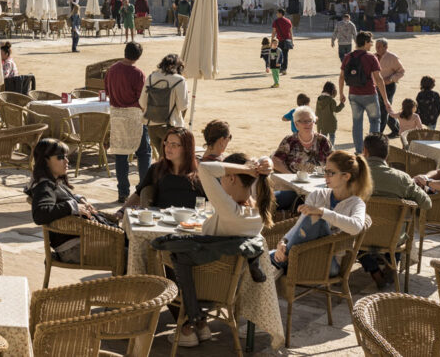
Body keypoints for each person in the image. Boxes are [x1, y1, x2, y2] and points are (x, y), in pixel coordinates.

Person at [171, 153, 274, 345]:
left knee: (167, 260)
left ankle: (191, 323)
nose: (221, 181)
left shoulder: (229, 210)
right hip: (228, 286)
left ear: (232, 177)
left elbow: (204, 168)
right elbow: (265, 170)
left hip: (204, 281)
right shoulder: (259, 212)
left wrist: (245, 168)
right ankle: (200, 325)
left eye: (224, 177)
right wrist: (263, 164)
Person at [272, 151, 372, 274]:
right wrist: (283, 241)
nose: (326, 176)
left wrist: (322, 212)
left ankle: (281, 261)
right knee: (262, 256)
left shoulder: (356, 203)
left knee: (316, 218)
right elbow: (300, 225)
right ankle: (283, 259)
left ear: (346, 176)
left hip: (329, 263)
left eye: (331, 173)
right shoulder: (317, 195)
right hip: (300, 255)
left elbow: (356, 227)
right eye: (325, 171)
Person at [359, 134, 431, 288]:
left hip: (361, 235)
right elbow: (426, 203)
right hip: (393, 237)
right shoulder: (402, 178)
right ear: (387, 153)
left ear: (365, 151)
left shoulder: (354, 175)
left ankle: (375, 272)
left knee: (353, 231)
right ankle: (392, 267)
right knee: (398, 227)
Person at [28, 138, 112, 264]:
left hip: (80, 241)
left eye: (66, 156)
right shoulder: (44, 186)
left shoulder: (52, 180)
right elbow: (40, 214)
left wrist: (78, 199)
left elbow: (59, 196)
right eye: (60, 157)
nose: (67, 161)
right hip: (74, 248)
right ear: (45, 161)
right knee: (130, 254)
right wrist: (72, 206)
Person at [105, 42, 150, 203]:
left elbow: (107, 91)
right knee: (144, 153)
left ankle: (122, 192)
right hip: (134, 115)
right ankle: (144, 189)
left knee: (120, 154)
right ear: (138, 56)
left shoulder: (112, 70)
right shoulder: (138, 73)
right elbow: (142, 98)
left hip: (116, 114)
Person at [121, 127, 204, 210]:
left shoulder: (201, 171)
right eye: (166, 143)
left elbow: (209, 201)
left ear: (186, 148)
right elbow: (138, 194)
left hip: (191, 220)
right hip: (161, 219)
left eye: (174, 145)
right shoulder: (157, 168)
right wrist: (121, 212)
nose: (168, 148)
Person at [338, 31, 392, 154]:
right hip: (369, 94)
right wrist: (385, 99)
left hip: (353, 94)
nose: (372, 45)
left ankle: (358, 151)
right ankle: (372, 151)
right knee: (374, 121)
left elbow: (341, 77)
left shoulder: (348, 56)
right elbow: (378, 79)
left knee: (357, 123)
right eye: (371, 42)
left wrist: (341, 93)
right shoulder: (371, 57)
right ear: (366, 42)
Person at [272, 105, 333, 210]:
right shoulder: (289, 140)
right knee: (275, 200)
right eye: (302, 121)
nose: (307, 124)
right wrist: (291, 176)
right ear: (296, 124)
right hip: (293, 189)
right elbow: (276, 160)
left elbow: (334, 160)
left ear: (314, 122)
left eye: (310, 120)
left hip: (318, 189)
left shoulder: (322, 141)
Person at [140, 53, 188, 138]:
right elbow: (182, 106)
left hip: (152, 125)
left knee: (161, 151)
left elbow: (142, 103)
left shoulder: (151, 77)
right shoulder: (180, 80)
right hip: (171, 126)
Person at [374, 38, 405, 138]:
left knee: (383, 109)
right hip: (376, 86)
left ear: (385, 47)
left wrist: (391, 79)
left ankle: (378, 135)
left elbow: (401, 71)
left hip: (389, 86)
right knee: (385, 109)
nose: (377, 48)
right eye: (376, 46)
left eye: (379, 46)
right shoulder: (373, 57)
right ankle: (396, 130)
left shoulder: (392, 57)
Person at [315, 82, 345, 147]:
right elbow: (336, 109)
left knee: (322, 137)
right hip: (331, 123)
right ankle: (331, 149)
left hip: (321, 123)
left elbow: (316, 111)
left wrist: (316, 120)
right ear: (332, 91)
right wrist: (342, 103)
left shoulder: (319, 99)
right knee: (332, 136)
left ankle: (322, 149)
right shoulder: (331, 101)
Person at [271, 9, 294, 74]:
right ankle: (284, 69)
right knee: (285, 55)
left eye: (277, 13)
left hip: (280, 40)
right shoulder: (288, 21)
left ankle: (279, 68)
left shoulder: (276, 21)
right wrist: (292, 41)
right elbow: (291, 32)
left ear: (281, 13)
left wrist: (272, 41)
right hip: (287, 40)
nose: (276, 14)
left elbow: (273, 32)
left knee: (278, 55)